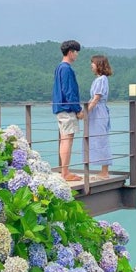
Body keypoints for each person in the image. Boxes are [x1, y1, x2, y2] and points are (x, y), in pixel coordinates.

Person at [52, 40, 84, 181]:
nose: (76, 55)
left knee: (64, 139)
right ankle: (65, 172)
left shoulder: (59, 67)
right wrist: (78, 109)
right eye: (76, 52)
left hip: (60, 107)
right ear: (70, 52)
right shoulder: (66, 69)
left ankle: (64, 170)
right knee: (67, 140)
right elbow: (69, 91)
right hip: (67, 108)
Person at [86, 54, 113, 178]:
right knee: (96, 138)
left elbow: (96, 98)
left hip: (99, 112)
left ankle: (105, 171)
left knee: (101, 138)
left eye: (93, 63)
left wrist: (85, 112)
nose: (91, 65)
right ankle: (103, 170)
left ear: (99, 65)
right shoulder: (99, 79)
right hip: (97, 111)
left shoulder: (102, 79)